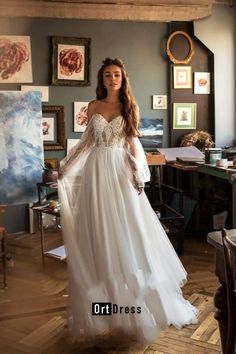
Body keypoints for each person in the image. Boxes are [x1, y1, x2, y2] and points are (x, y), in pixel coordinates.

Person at [58, 58, 198, 346]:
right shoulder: (94, 106)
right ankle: (105, 311)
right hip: (97, 173)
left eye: (117, 74)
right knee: (100, 235)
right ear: (102, 79)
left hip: (120, 174)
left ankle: (136, 310)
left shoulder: (129, 107)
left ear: (123, 78)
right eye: (107, 75)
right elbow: (87, 143)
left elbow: (133, 146)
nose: (112, 79)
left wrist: (138, 175)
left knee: (129, 234)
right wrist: (67, 163)